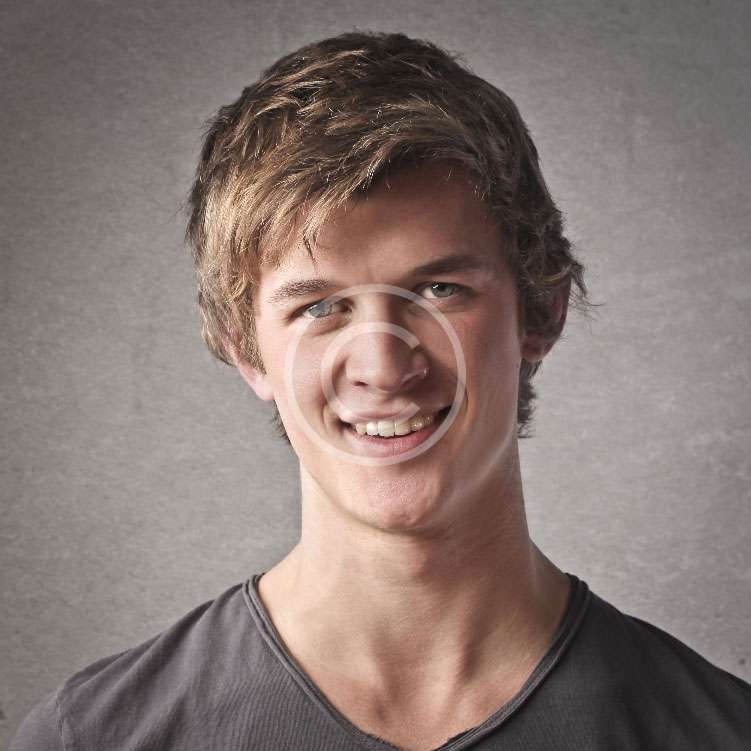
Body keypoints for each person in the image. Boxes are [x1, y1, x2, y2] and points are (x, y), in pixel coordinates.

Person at [11, 31, 750, 751]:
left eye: (439, 289)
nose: (383, 366)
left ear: (541, 311)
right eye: (320, 306)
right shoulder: (94, 737)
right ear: (245, 350)